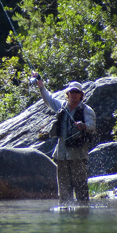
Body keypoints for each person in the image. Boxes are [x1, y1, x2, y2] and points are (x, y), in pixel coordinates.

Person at [31, 72, 96, 203]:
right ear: (68, 94)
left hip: (78, 155)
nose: (74, 95)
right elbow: (48, 99)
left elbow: (92, 126)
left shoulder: (86, 110)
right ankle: (66, 215)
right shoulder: (61, 106)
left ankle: (83, 215)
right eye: (71, 92)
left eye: (77, 92)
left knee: (81, 190)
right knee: (64, 191)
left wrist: (83, 125)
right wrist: (40, 85)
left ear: (81, 95)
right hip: (61, 156)